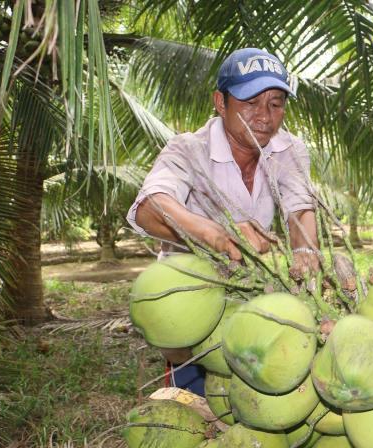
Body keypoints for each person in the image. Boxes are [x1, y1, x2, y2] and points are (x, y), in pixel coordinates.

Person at [126, 48, 321, 386]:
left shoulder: (288, 149)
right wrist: (217, 236)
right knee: (193, 400)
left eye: (276, 104)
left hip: (251, 295)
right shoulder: (188, 149)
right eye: (251, 102)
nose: (264, 116)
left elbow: (300, 208)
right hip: (190, 300)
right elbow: (150, 208)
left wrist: (306, 252)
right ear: (221, 102)